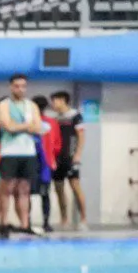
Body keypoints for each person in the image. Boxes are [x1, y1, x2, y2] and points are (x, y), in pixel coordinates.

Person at [0, 73, 42, 234]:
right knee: (6, 189)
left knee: (24, 190)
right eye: (17, 86)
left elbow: (38, 128)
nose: (20, 89)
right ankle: (3, 223)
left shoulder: (32, 106)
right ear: (11, 87)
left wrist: (19, 126)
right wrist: (26, 126)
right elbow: (8, 126)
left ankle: (24, 224)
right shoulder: (4, 105)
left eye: (23, 86)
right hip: (10, 152)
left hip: (28, 153)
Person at [48, 90, 86, 230]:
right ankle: (64, 219)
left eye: (54, 100)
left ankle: (83, 219)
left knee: (75, 187)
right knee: (59, 189)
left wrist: (77, 155)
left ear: (62, 100)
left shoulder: (76, 116)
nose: (52, 104)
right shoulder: (56, 119)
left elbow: (81, 136)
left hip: (71, 157)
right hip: (58, 159)